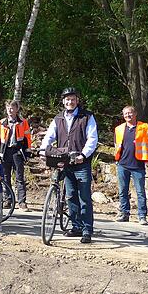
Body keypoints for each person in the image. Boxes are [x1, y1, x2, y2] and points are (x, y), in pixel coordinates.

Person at [40, 87, 98, 243]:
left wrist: (83, 155)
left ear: (77, 100)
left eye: (72, 99)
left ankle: (87, 230)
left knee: (84, 197)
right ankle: (76, 226)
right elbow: (49, 136)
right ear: (63, 101)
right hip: (65, 161)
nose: (70, 102)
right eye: (67, 99)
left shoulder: (87, 116)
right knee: (71, 196)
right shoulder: (58, 118)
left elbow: (92, 139)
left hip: (81, 163)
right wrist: (43, 150)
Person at [114, 105, 148, 225]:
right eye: (125, 114)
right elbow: (116, 144)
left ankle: (142, 216)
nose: (128, 115)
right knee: (122, 191)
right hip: (122, 164)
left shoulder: (144, 127)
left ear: (135, 114)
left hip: (138, 164)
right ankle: (124, 213)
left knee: (140, 192)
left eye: (130, 113)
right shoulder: (119, 129)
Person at [0, 100, 32, 211]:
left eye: (12, 108)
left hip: (17, 151)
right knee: (5, 177)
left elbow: (27, 138)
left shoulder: (23, 122)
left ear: (16, 109)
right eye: (8, 108)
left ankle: (22, 202)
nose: (10, 110)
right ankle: (8, 200)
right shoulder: (2, 123)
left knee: (19, 177)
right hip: (5, 152)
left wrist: (27, 151)